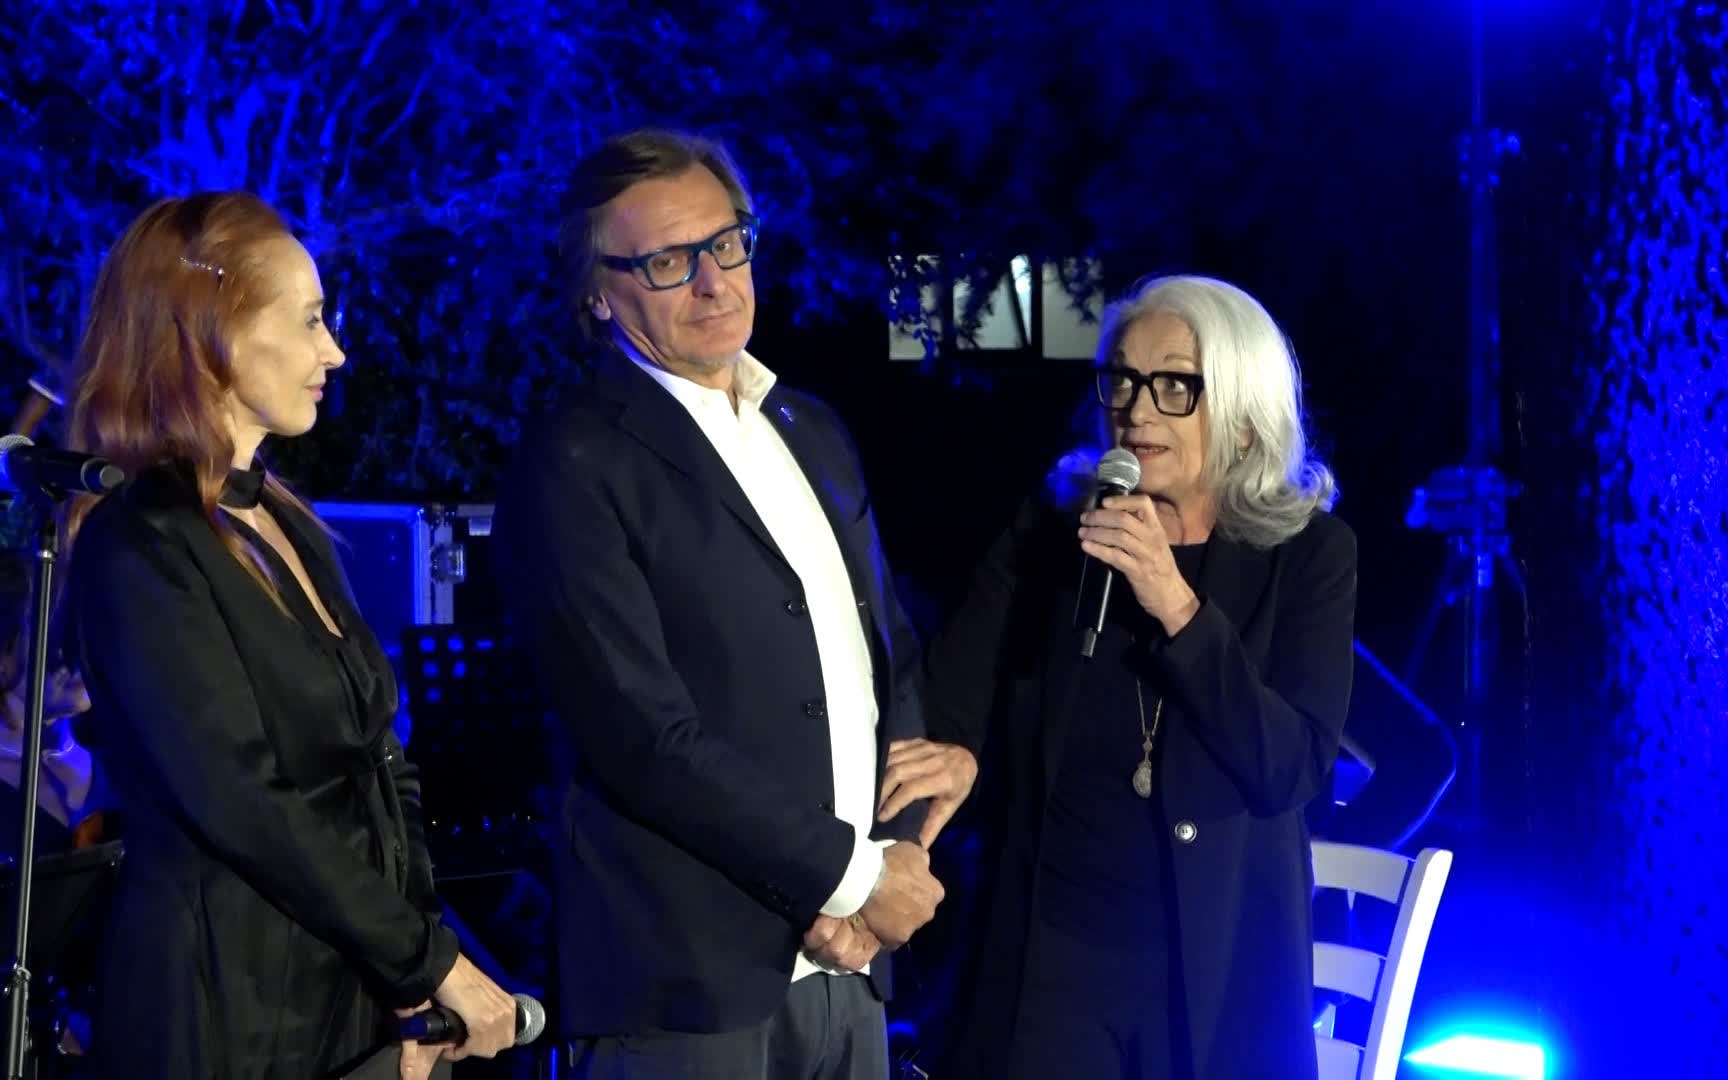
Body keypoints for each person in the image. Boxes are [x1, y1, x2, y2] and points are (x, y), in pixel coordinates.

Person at [495, 128, 942, 1079]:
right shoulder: (572, 461)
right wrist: (852, 879)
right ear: (597, 292)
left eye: (727, 244)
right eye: (668, 261)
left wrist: (887, 874)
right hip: (684, 985)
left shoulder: (811, 429)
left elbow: (888, 665)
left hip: (850, 968)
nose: (714, 282)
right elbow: (643, 738)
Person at [60, 192, 517, 1079]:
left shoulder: (281, 518)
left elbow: (382, 765)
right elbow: (243, 799)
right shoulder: (139, 544)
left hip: (343, 988)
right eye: (309, 320)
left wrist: (419, 962)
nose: (334, 351)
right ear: (212, 331)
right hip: (230, 1008)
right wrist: (425, 963)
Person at [879, 275, 1357, 1079]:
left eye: (1174, 385)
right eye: (1123, 380)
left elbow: (1291, 768)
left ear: (1244, 415)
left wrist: (1176, 605)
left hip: (1212, 975)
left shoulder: (1309, 556)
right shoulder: (1052, 533)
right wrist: (959, 748)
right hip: (1050, 959)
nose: (1136, 409)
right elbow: (948, 698)